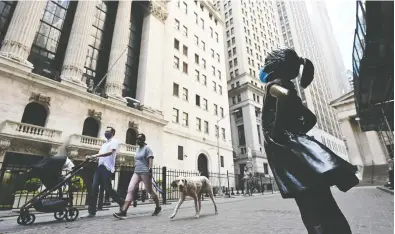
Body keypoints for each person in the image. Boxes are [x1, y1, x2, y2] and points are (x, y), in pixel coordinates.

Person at [259, 48, 359, 234]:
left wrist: (279, 131)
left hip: (290, 156)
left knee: (309, 208)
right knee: (324, 203)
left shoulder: (274, 84)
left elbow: (284, 96)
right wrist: (296, 133)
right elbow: (311, 119)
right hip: (298, 152)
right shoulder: (291, 88)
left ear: (274, 66)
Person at [113, 133, 161, 219]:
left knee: (149, 191)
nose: (138, 140)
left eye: (140, 139)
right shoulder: (137, 149)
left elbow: (150, 159)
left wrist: (150, 170)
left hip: (145, 172)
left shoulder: (147, 148)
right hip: (136, 172)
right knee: (130, 189)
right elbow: (136, 159)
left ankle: (158, 207)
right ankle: (123, 211)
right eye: (137, 139)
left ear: (144, 139)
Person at [83, 127, 125, 217]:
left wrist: (95, 155)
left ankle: (122, 203)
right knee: (93, 189)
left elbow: (110, 153)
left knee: (108, 189)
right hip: (99, 167)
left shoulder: (114, 142)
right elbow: (101, 157)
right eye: (105, 131)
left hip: (107, 168)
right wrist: (91, 157)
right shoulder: (104, 144)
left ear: (112, 133)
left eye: (108, 131)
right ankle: (91, 211)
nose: (106, 132)